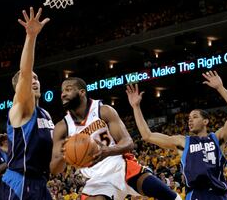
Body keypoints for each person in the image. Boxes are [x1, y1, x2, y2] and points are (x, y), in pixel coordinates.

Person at [50, 77, 181, 200]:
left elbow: (129, 143)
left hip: (121, 165)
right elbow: (55, 170)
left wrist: (108, 151)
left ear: (82, 92)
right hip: (97, 178)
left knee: (169, 196)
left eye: (68, 89)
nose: (63, 94)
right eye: (62, 91)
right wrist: (64, 154)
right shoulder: (62, 128)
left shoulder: (104, 110)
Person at [126, 71, 227, 200]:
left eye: (195, 117)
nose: (190, 120)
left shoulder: (217, 138)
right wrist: (136, 107)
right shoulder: (183, 142)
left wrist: (220, 88)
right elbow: (147, 135)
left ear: (205, 121)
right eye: (189, 118)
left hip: (219, 194)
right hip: (195, 194)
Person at [0, 7, 54, 200]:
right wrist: (31, 37)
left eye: (37, 77)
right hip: (20, 182)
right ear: (19, 88)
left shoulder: (46, 115)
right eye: (30, 78)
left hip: (40, 182)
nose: (34, 80)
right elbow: (24, 72)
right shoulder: (20, 108)